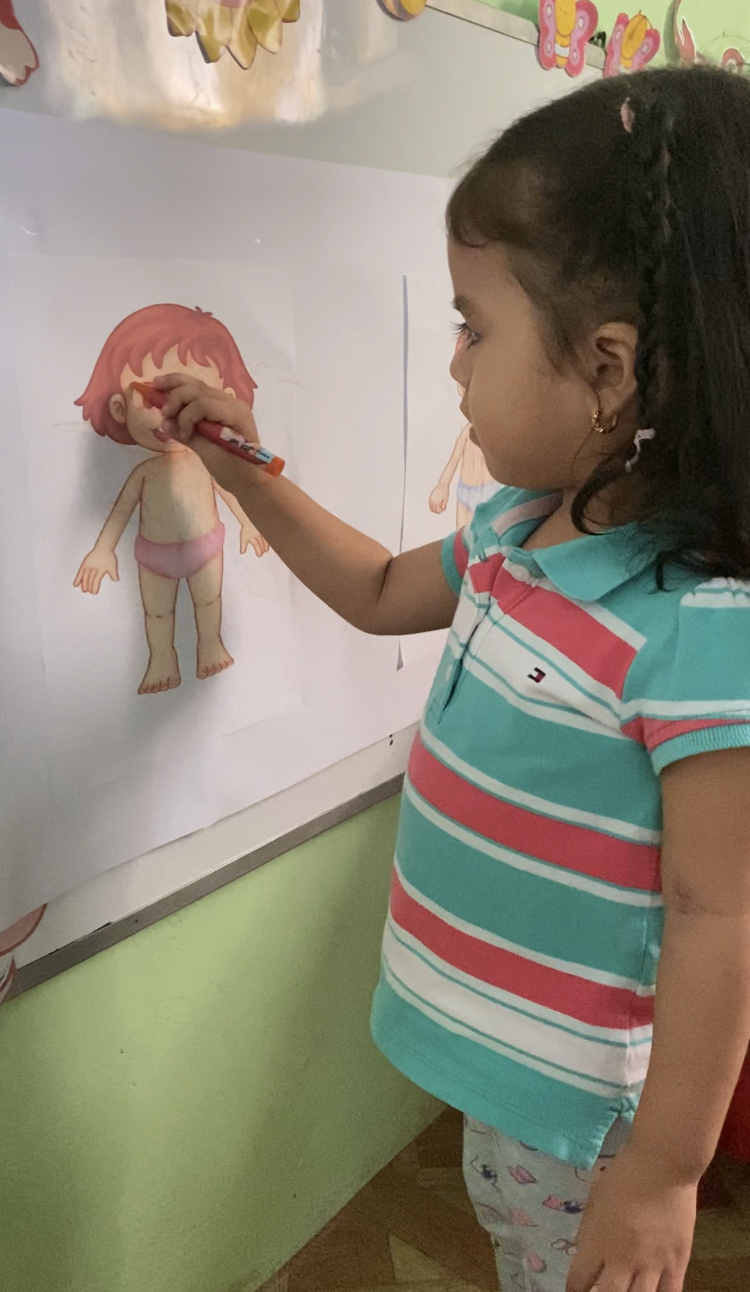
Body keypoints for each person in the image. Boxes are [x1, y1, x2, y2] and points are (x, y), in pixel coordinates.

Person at [148, 68, 750, 1292]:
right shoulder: (518, 529)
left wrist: (662, 1172)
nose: (456, 364)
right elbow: (377, 589)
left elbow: (720, 917)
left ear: (610, 370)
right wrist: (244, 464)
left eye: (474, 327)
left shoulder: (701, 628)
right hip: (504, 1091)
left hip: (587, 1122)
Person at [74, 304, 269, 696]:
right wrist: (101, 550)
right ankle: (161, 658)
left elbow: (229, 489)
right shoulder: (146, 472)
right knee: (157, 614)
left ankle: (210, 645)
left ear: (225, 401)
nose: (173, 414)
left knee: (209, 602)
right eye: (154, 400)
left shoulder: (207, 463)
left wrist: (249, 523)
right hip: (154, 556)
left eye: (193, 399)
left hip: (205, 547)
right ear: (119, 408)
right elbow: (122, 510)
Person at [429, 385, 500, 527]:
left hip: (490, 492)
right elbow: (454, 459)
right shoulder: (467, 431)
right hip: (465, 492)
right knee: (462, 536)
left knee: (487, 534)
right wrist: (442, 485)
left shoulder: (495, 432)